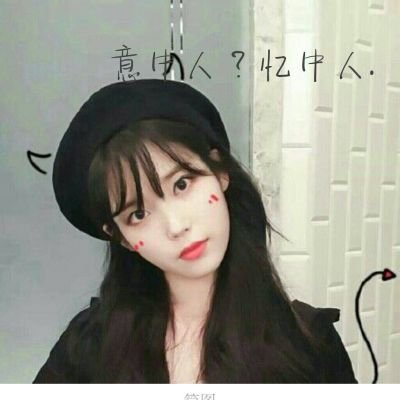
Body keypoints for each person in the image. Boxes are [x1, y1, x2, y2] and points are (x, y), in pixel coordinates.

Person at [33, 79, 357, 383]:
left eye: (182, 184)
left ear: (220, 171)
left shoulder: (310, 344)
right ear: (120, 237)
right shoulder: (87, 350)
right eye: (139, 214)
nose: (176, 226)